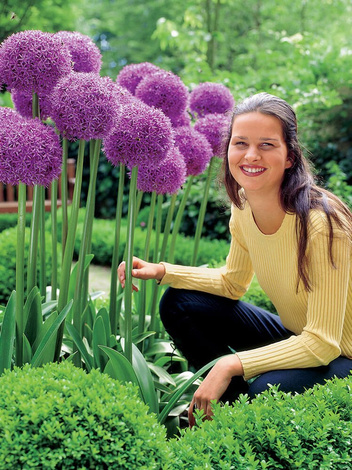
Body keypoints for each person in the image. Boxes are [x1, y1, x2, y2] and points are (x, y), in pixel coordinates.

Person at [118, 92, 352, 427]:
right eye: (240, 142)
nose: (251, 155)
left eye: (267, 144)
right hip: (299, 337)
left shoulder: (322, 224)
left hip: (342, 352)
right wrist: (163, 271)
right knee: (180, 303)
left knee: (266, 389)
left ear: (290, 156)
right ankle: (224, 413)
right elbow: (232, 283)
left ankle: (238, 408)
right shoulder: (243, 204)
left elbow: (323, 342)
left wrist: (229, 364)